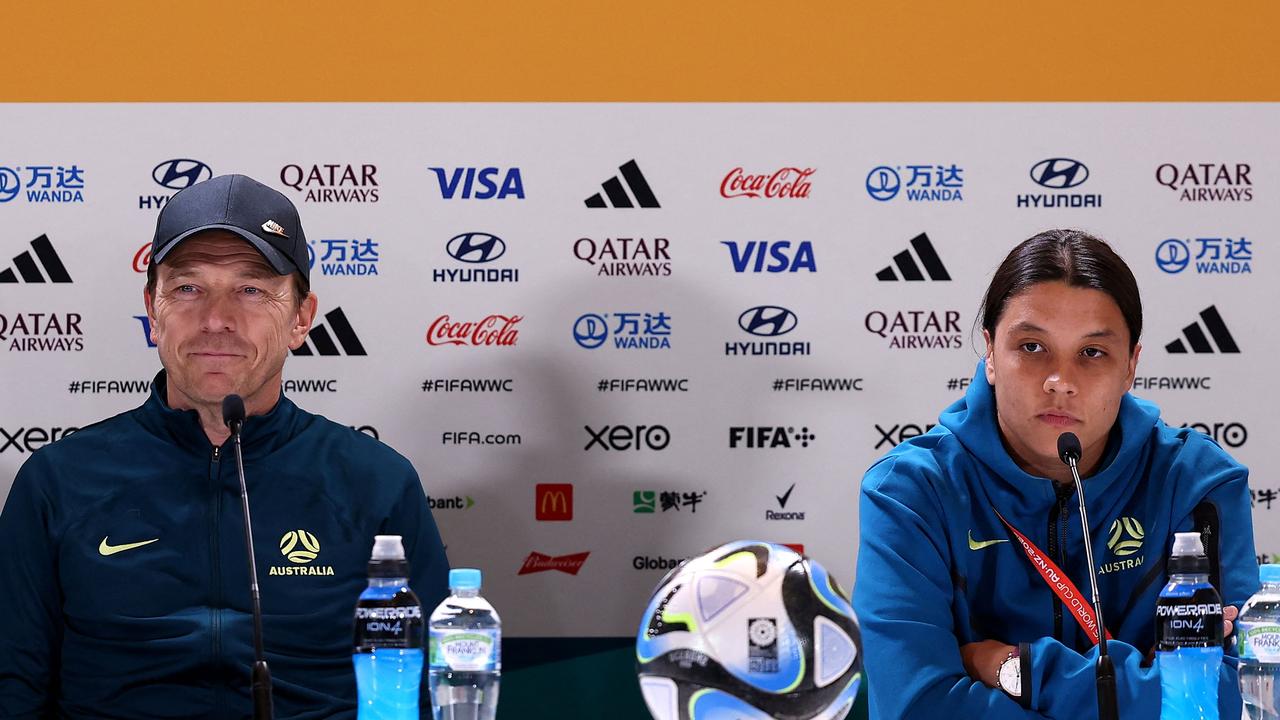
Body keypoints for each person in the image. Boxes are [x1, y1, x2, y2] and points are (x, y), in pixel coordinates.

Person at [0, 174, 450, 718]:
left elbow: (426, 684)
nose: (216, 320)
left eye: (251, 290)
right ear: (152, 310)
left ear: (302, 319)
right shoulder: (59, 480)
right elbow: (14, 683)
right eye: (188, 288)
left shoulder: (375, 480)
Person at [853, 229, 1258, 719]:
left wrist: (1018, 669)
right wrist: (1151, 689)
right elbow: (916, 707)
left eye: (1092, 353)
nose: (1060, 382)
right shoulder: (909, 493)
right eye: (1030, 346)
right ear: (990, 354)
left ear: (1131, 366)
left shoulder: (1197, 484)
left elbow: (1237, 695)